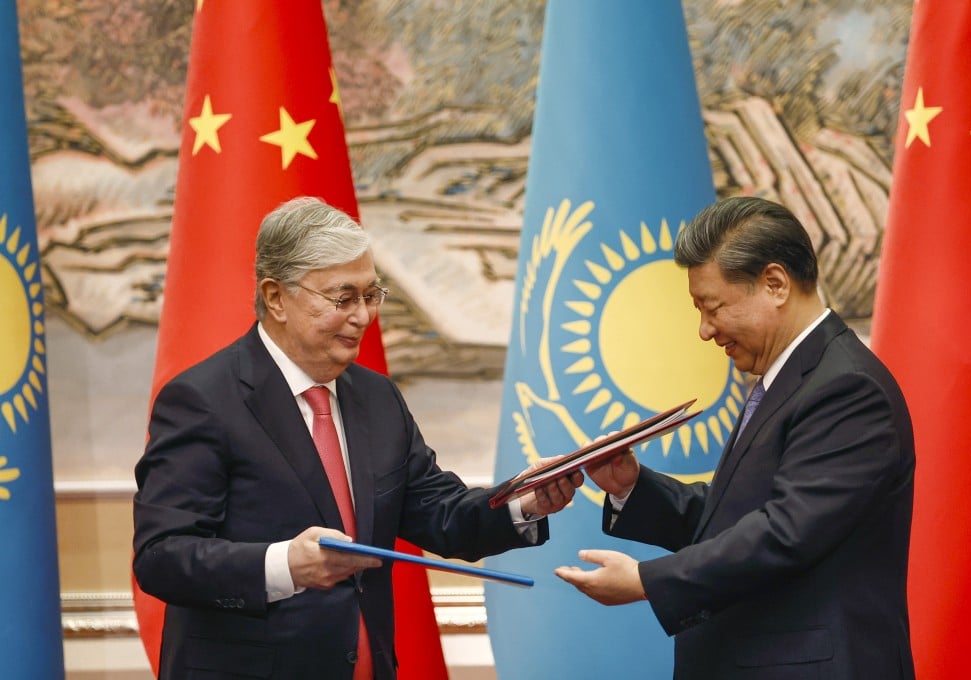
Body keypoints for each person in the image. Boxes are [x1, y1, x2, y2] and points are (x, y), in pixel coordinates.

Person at [133, 196, 581, 680]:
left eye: (371, 295)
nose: (363, 316)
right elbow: (162, 555)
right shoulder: (203, 399)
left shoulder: (377, 397)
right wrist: (284, 564)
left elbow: (440, 513)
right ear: (277, 296)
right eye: (342, 298)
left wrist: (524, 501)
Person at [554, 196, 915, 679]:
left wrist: (646, 581)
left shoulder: (847, 388)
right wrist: (631, 486)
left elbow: (784, 533)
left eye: (713, 307)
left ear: (775, 284)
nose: (705, 330)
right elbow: (739, 517)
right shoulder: (792, 378)